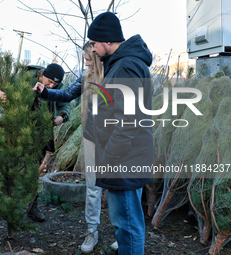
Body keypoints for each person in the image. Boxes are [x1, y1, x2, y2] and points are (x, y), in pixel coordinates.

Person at [33, 42, 118, 254]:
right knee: (92, 187)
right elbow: (66, 94)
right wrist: (45, 92)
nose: (86, 63)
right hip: (92, 138)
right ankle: (92, 231)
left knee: (117, 187)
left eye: (89, 60)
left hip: (115, 138)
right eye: (85, 60)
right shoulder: (85, 76)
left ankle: (122, 233)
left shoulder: (116, 73)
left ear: (99, 57)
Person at [87, 12, 154, 255]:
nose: (92, 49)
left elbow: (129, 121)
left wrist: (110, 157)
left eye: (94, 43)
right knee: (126, 221)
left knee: (126, 224)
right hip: (125, 158)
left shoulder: (127, 65)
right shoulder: (123, 64)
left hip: (124, 161)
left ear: (106, 40)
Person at [0, 63, 70, 222]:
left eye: (54, 84)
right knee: (13, 169)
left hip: (40, 134)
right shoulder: (24, 76)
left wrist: (62, 116)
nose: (50, 86)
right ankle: (10, 207)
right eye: (49, 81)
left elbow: (64, 102)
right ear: (42, 74)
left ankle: (32, 208)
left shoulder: (56, 87)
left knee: (33, 171)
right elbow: (0, 86)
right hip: (17, 130)